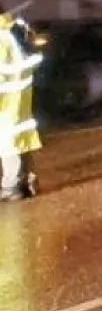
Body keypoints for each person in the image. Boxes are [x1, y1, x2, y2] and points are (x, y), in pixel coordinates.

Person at [0, 13, 42, 201]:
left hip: (7, 98)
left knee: (7, 142)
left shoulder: (2, 37)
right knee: (19, 139)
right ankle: (27, 181)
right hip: (19, 95)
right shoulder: (13, 30)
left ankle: (11, 186)